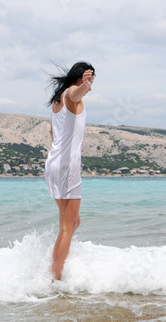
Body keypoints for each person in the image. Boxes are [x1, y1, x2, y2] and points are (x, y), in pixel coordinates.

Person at [45, 61, 95, 280]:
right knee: (67, 226)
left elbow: (53, 134)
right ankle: (55, 279)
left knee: (73, 222)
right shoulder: (72, 94)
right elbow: (76, 94)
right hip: (67, 167)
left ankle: (57, 268)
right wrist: (85, 86)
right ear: (81, 76)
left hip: (54, 164)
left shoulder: (57, 101)